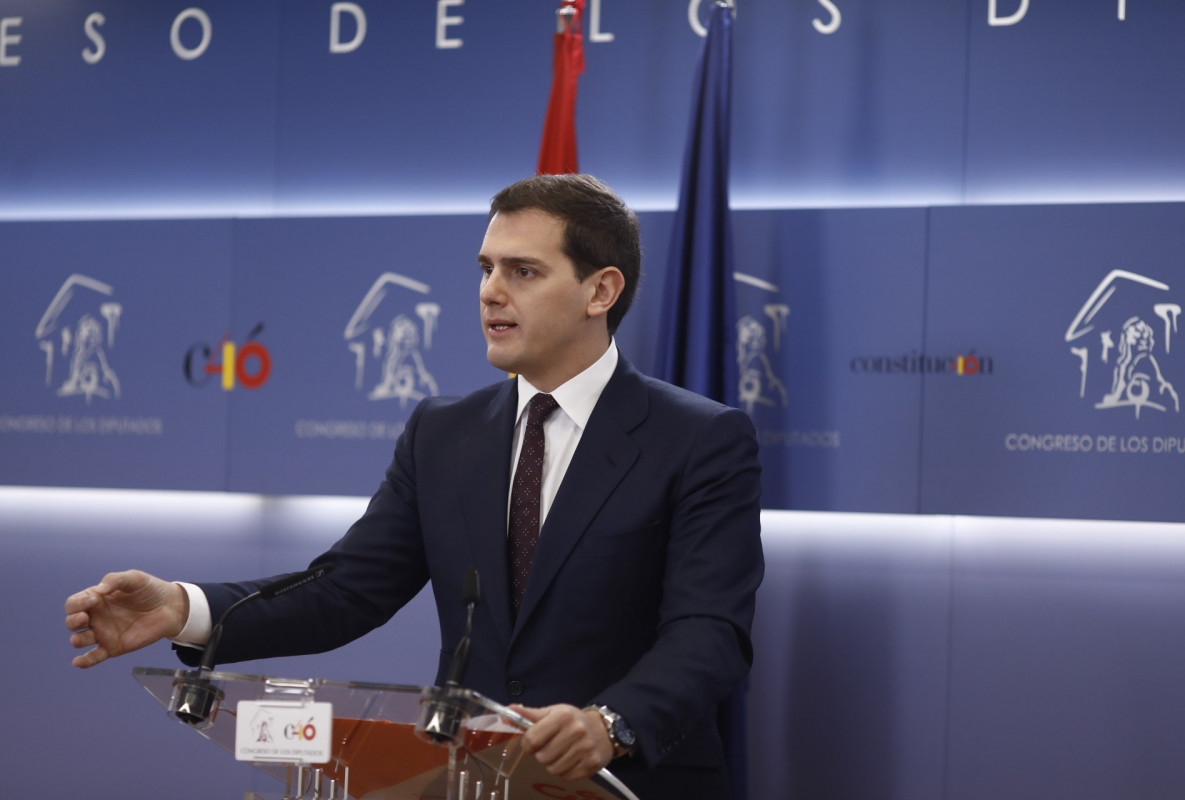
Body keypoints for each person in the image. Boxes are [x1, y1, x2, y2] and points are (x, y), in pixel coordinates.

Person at [64, 174, 764, 800]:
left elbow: (709, 632)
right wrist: (184, 610)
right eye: (487, 268)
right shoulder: (444, 433)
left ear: (600, 291)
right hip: (472, 782)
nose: (491, 290)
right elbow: (344, 592)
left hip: (633, 784)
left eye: (523, 271)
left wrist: (612, 722)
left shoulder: (698, 440)